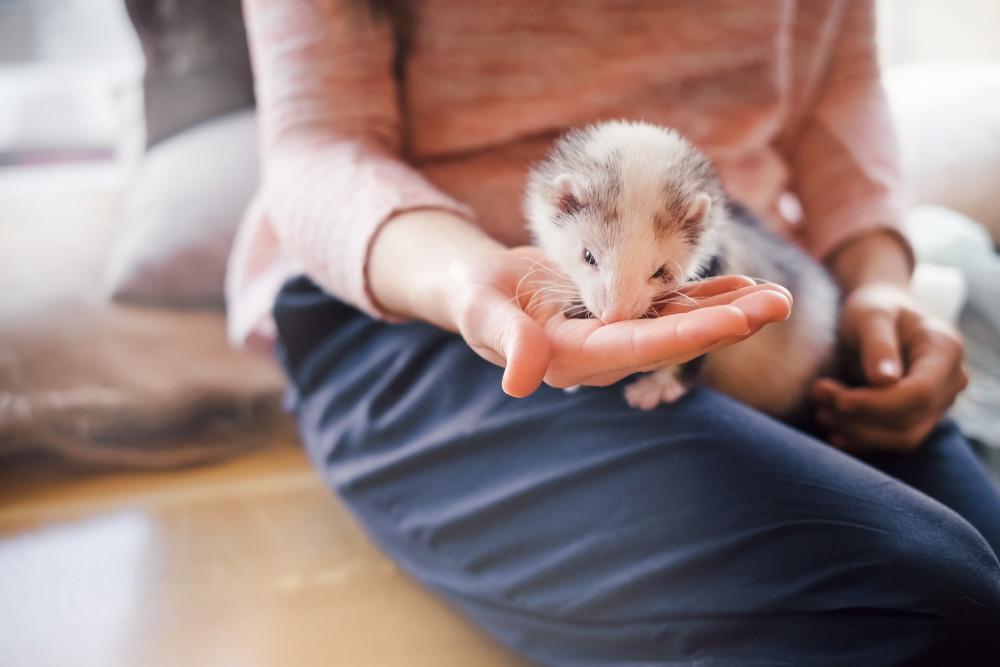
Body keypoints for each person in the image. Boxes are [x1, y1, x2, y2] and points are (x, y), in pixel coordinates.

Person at [227, 0, 1000, 663]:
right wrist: (464, 276)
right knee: (922, 602)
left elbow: (841, 85)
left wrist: (878, 283)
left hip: (726, 259)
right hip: (412, 286)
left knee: (983, 575)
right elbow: (318, 141)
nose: (617, 313)